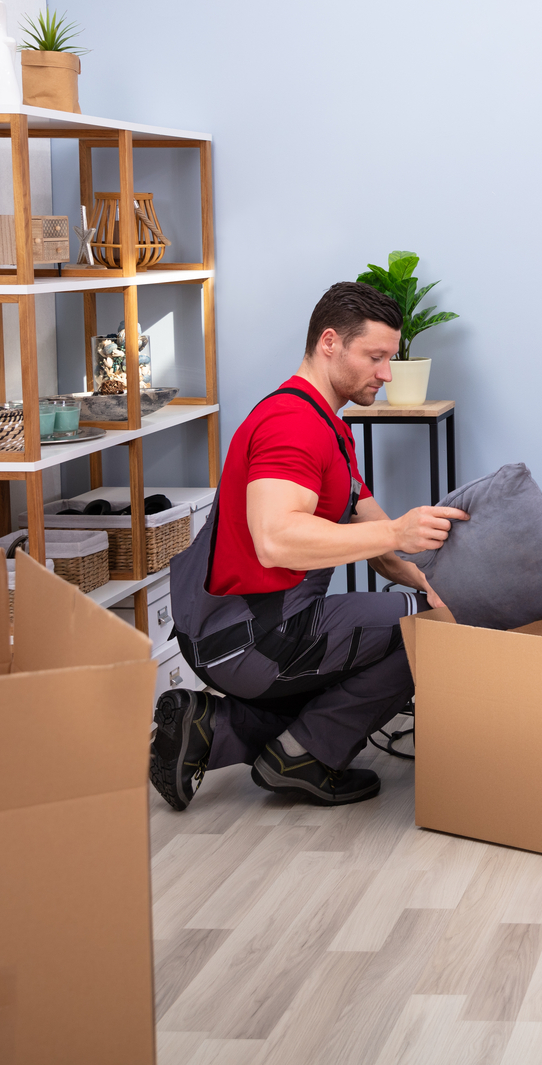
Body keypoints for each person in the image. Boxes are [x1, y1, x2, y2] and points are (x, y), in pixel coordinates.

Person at [149, 282, 467, 810]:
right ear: (329, 343)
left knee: (422, 614)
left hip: (243, 630)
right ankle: (306, 758)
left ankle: (211, 728)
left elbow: (382, 544)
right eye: (376, 357)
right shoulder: (292, 424)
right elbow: (275, 539)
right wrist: (398, 539)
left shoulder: (328, 425)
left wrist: (443, 587)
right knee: (420, 630)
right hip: (247, 636)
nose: (386, 373)